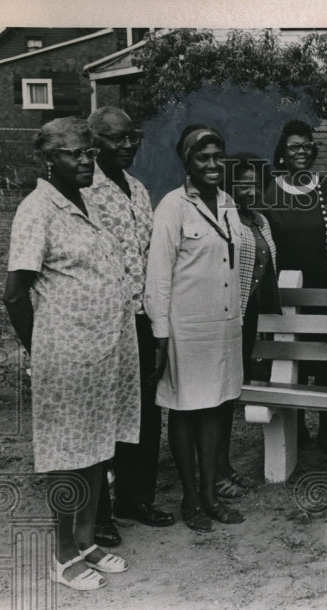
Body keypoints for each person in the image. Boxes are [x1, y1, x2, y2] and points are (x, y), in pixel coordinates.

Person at [2, 117, 136, 590]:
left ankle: (85, 539)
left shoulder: (88, 201)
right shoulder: (37, 209)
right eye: (73, 154)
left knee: (98, 446)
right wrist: (41, 351)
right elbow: (15, 293)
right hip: (66, 353)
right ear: (48, 160)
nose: (85, 160)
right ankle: (61, 555)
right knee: (66, 453)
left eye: (87, 152)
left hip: (104, 350)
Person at [145, 124, 245, 532]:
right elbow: (158, 275)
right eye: (202, 158)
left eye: (217, 157)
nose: (212, 165)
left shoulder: (227, 203)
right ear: (186, 162)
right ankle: (190, 499)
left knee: (217, 408)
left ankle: (209, 494)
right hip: (185, 328)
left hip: (222, 327)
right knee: (186, 409)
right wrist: (160, 332)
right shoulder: (172, 207)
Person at [86, 106, 174, 543]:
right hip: (103, 322)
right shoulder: (85, 191)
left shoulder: (138, 189)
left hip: (140, 318)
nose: (127, 145)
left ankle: (135, 498)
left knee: (144, 411)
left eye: (132, 137)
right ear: (95, 141)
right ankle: (99, 512)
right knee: (102, 415)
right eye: (117, 139)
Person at [264, 121, 327, 455]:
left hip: (326, 289)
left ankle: (326, 429)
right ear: (282, 152)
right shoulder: (271, 192)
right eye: (294, 146)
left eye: (306, 145)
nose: (300, 151)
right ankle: (296, 428)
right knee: (292, 360)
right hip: (290, 293)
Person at [218, 152, 281, 499]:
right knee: (220, 397)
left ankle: (222, 466)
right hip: (226, 317)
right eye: (242, 182)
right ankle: (215, 468)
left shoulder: (260, 219)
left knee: (230, 393)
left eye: (255, 183)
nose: (250, 189)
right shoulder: (224, 218)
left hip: (250, 317)